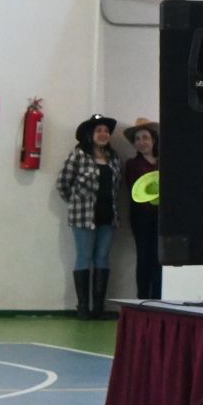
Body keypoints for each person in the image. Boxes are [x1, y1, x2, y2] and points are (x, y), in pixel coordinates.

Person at [55, 113, 121, 320]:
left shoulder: (114, 158)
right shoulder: (78, 156)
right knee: (84, 256)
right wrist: (77, 202)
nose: (103, 134)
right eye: (98, 130)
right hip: (83, 217)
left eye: (106, 131)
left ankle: (98, 308)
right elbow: (63, 184)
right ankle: (83, 307)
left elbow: (116, 187)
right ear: (90, 134)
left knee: (102, 258)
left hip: (108, 216)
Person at [121, 118, 162, 300]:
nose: (141, 142)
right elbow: (134, 190)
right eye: (137, 139)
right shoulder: (132, 164)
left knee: (160, 259)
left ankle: (158, 298)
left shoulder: (163, 162)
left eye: (145, 137)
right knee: (144, 257)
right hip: (142, 218)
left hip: (162, 219)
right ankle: (143, 298)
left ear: (153, 140)